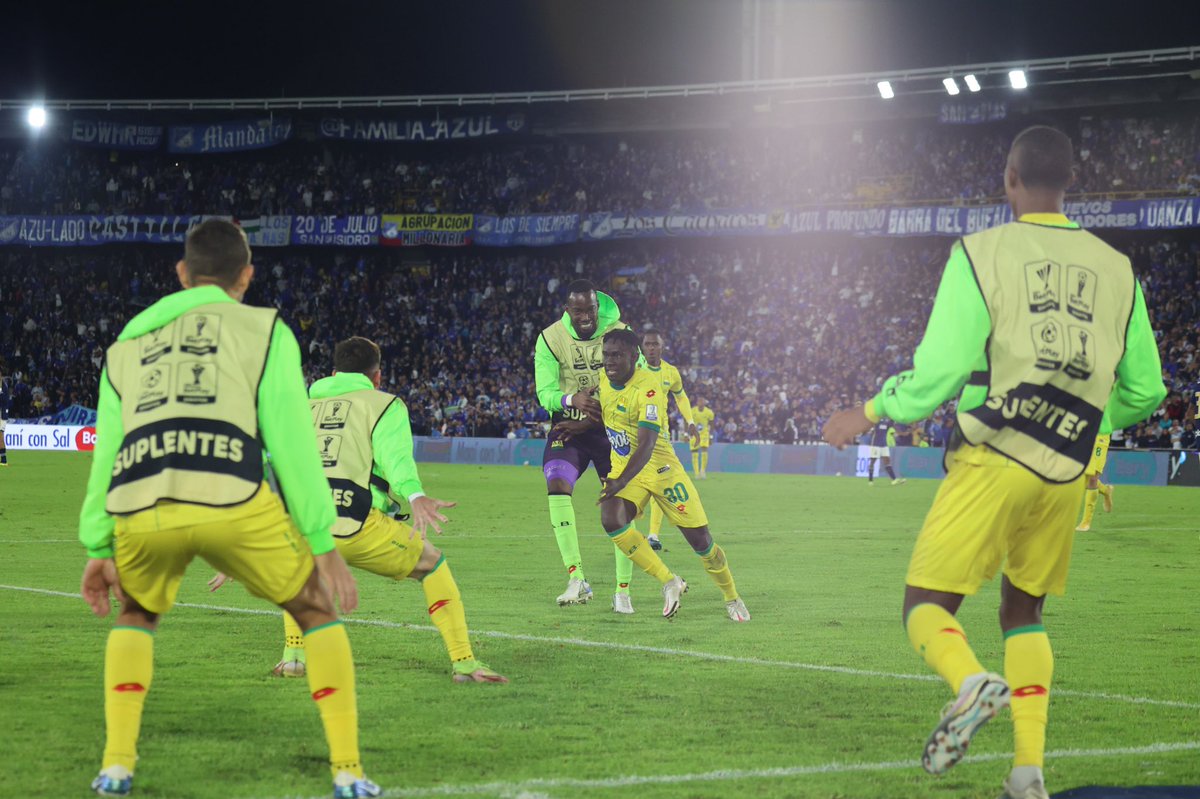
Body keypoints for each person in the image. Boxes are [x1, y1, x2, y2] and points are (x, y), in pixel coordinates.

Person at [822, 127, 1165, 799]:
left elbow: (940, 371)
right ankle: (1028, 773)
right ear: (1070, 184)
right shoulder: (1119, 269)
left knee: (925, 604)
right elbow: (1147, 389)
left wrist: (867, 411)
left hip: (994, 454)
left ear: (1010, 178)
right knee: (1023, 608)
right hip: (1066, 470)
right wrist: (1086, 417)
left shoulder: (979, 253)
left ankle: (972, 681)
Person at [77, 220, 382, 798]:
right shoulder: (264, 330)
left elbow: (108, 451)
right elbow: (292, 447)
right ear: (246, 276)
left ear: (181, 273)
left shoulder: (126, 343)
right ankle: (348, 772)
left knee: (137, 616)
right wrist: (321, 541)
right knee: (315, 611)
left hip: (146, 502)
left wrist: (98, 546)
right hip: (232, 497)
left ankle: (116, 765)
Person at [214, 336, 507, 685]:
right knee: (433, 566)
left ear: (333, 372)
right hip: (357, 525)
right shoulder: (383, 404)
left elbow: (268, 464)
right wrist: (415, 496)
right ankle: (464, 663)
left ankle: (293, 659)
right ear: (377, 376)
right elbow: (395, 459)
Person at [558, 329, 750, 622]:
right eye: (606, 355)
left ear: (634, 357)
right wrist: (580, 427)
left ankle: (731, 597)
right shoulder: (604, 381)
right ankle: (669, 581)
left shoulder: (649, 389)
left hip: (661, 470)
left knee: (703, 543)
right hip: (627, 469)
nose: (609, 361)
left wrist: (620, 481)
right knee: (612, 519)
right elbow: (607, 416)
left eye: (616, 356)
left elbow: (647, 444)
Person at [533, 278, 635, 611]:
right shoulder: (550, 339)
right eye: (578, 311)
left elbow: (635, 382)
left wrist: (595, 412)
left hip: (612, 429)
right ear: (568, 310)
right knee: (557, 484)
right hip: (568, 428)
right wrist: (570, 398)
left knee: (618, 505)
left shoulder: (619, 332)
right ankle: (577, 579)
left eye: (590, 309)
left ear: (597, 306)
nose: (586, 317)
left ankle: (622, 590)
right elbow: (544, 392)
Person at [638, 331, 698, 551]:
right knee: (633, 483)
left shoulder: (671, 372)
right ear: (642, 347)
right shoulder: (633, 369)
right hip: (633, 435)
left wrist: (690, 421)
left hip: (659, 438)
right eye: (648, 344)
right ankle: (626, 529)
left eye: (655, 344)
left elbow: (680, 396)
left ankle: (653, 534)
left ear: (661, 347)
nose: (651, 348)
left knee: (660, 481)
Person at [1075, 418, 1114, 531]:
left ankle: (1085, 523)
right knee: (1085, 477)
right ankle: (1106, 491)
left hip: (1100, 436)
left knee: (1092, 477)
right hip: (1084, 435)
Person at [864, 418, 904, 485]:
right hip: (876, 444)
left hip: (884, 444)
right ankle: (870, 480)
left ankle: (894, 480)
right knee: (873, 461)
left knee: (887, 461)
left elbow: (893, 425)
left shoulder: (887, 421)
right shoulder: (876, 420)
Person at [690, 397, 715, 479]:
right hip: (694, 434)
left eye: (702, 401)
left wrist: (711, 436)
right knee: (694, 451)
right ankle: (696, 473)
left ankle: (703, 471)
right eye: (699, 401)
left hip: (704, 434)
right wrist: (686, 434)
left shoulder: (709, 412)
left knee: (704, 449)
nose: (701, 402)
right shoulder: (692, 410)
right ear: (697, 402)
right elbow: (687, 421)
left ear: (704, 403)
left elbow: (712, 424)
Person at [0, 370, 9, 466]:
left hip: (2, 415)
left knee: (0, 436)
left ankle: (4, 459)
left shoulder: (4, 386)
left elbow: (5, 401)